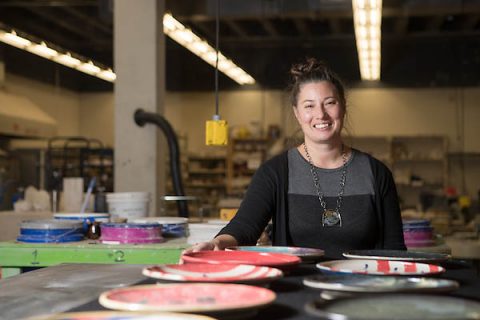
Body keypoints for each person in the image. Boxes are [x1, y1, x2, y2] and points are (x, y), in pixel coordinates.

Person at [185, 57, 406, 258]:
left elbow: (394, 249)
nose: (320, 114)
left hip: (362, 293)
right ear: (297, 113)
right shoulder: (275, 173)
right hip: (296, 289)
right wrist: (217, 243)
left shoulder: (376, 173)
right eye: (309, 106)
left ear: (343, 106)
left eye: (330, 102)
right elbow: (244, 227)